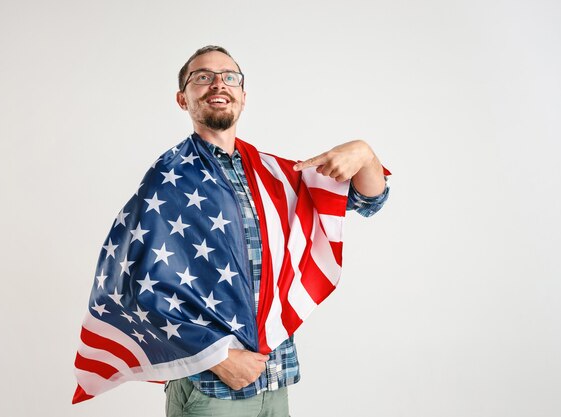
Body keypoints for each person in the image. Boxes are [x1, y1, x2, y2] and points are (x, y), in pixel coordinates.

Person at [162, 45, 390, 417]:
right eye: (202, 77)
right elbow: (139, 288)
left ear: (243, 95)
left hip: (275, 379)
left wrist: (364, 152)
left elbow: (369, 200)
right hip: (210, 388)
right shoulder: (168, 181)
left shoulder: (272, 175)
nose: (218, 83)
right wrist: (217, 358)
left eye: (229, 76)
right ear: (182, 99)